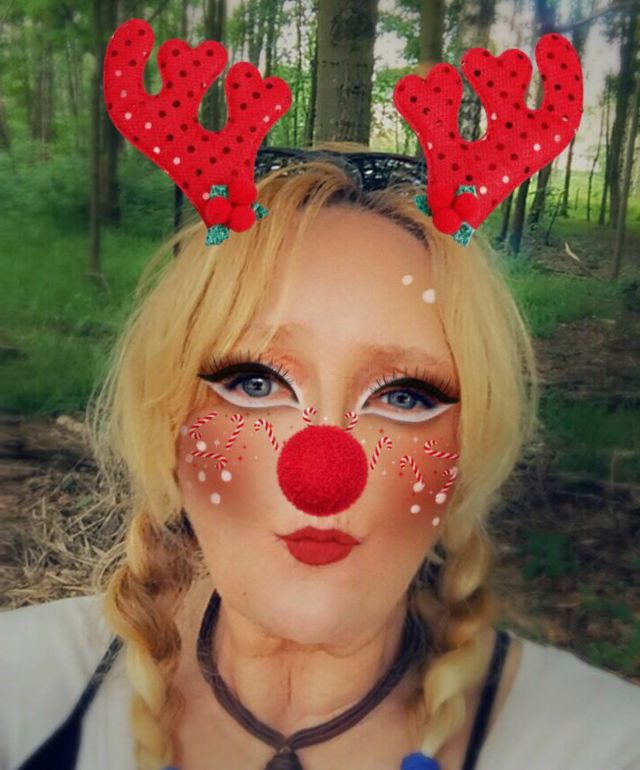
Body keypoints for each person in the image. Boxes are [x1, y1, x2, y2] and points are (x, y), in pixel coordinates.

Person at [2, 155, 639, 770]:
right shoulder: (22, 688)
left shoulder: (600, 744)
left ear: (467, 455)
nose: (323, 476)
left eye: (405, 396)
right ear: (169, 427)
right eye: (255, 383)